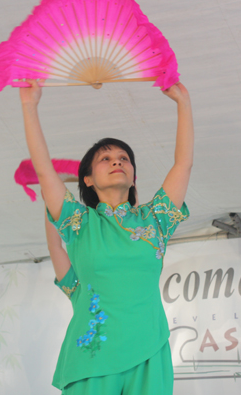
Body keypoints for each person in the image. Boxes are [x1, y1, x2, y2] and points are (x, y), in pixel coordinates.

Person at [20, 79, 193, 395]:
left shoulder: (156, 220)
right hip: (93, 359)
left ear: (133, 175)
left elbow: (183, 164)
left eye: (124, 158)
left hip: (150, 352)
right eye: (105, 158)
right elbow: (45, 172)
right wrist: (29, 106)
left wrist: (183, 103)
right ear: (87, 178)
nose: (117, 161)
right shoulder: (79, 223)